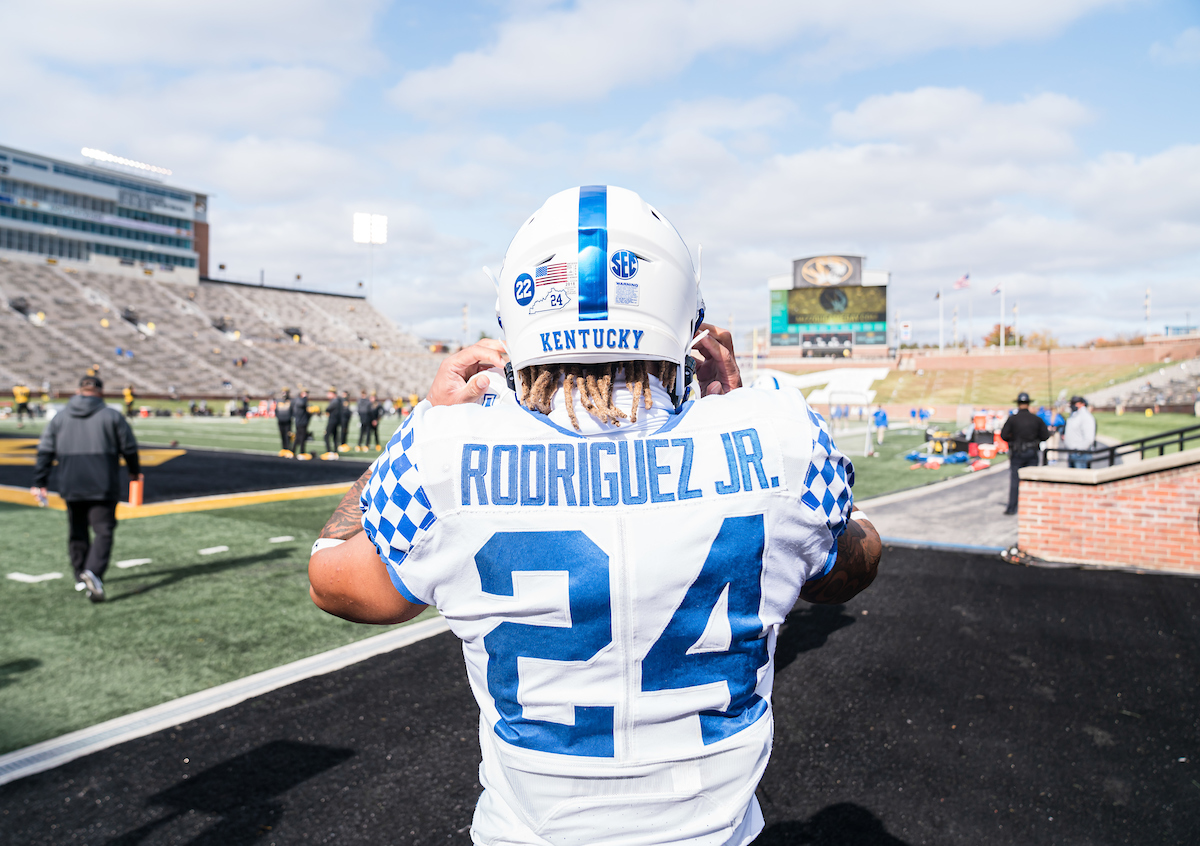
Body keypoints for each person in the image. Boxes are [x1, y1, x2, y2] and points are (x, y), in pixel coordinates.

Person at [308, 185, 882, 846]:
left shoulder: (443, 451)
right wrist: (748, 422)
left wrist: (424, 428)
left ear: (516, 315)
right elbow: (850, 566)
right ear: (687, 316)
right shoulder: (778, 434)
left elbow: (333, 580)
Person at [30, 374, 141, 602]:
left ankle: (80, 575)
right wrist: (134, 471)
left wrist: (40, 482)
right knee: (103, 530)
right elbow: (129, 448)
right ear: (100, 391)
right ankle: (93, 572)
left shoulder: (60, 418)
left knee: (77, 529)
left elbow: (45, 452)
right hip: (103, 482)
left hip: (71, 481)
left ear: (79, 390)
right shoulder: (112, 416)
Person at [999, 391, 1050, 514]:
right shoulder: (1036, 419)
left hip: (1017, 453)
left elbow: (1003, 435)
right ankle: (1032, 508)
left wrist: (1013, 439)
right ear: (1028, 404)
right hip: (1032, 453)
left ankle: (1012, 508)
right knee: (1032, 480)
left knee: (1015, 481)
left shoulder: (1013, 420)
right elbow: (1045, 436)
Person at [1063, 396, 1097, 469]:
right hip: (1072, 452)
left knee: (1081, 478)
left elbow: (1089, 438)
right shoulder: (1073, 415)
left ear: (1082, 404)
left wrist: (1079, 450)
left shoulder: (1086, 417)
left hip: (1080, 454)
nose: (1073, 405)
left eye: (1075, 403)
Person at [322, 387, 343, 458]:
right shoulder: (339, 400)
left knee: (326, 436)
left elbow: (328, 409)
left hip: (332, 420)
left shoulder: (335, 401)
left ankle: (329, 451)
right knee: (335, 437)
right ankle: (335, 452)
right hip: (336, 420)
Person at [292, 389, 311, 459]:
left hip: (301, 421)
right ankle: (301, 452)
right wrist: (305, 398)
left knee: (299, 437)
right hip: (301, 421)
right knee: (301, 437)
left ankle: (294, 451)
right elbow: (302, 404)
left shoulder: (299, 400)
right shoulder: (300, 400)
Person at [275, 388, 293, 454]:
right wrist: (278, 417)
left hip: (288, 421)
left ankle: (288, 449)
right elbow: (276, 410)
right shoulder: (279, 400)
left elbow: (292, 410)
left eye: (285, 392)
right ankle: (284, 449)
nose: (284, 394)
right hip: (280, 421)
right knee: (282, 435)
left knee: (288, 436)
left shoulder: (290, 400)